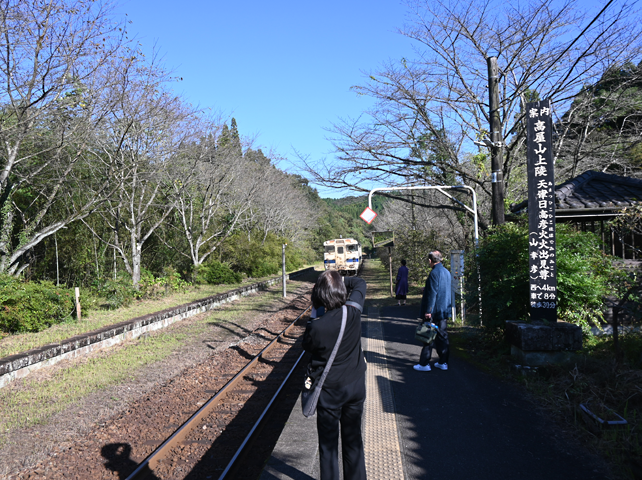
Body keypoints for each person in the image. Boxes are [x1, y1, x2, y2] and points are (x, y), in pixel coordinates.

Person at [303, 271, 367, 480]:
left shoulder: (317, 327)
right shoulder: (354, 312)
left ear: (319, 296)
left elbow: (308, 347)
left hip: (330, 393)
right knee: (353, 440)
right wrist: (341, 282)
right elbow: (359, 282)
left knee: (329, 447)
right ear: (340, 291)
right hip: (355, 387)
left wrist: (315, 307)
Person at [414, 250, 452, 372]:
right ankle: (443, 362)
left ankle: (424, 364)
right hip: (444, 309)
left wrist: (428, 310)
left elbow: (433, 294)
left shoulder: (434, 273)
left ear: (431, 261)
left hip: (434, 310)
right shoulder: (446, 272)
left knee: (428, 335)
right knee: (442, 336)